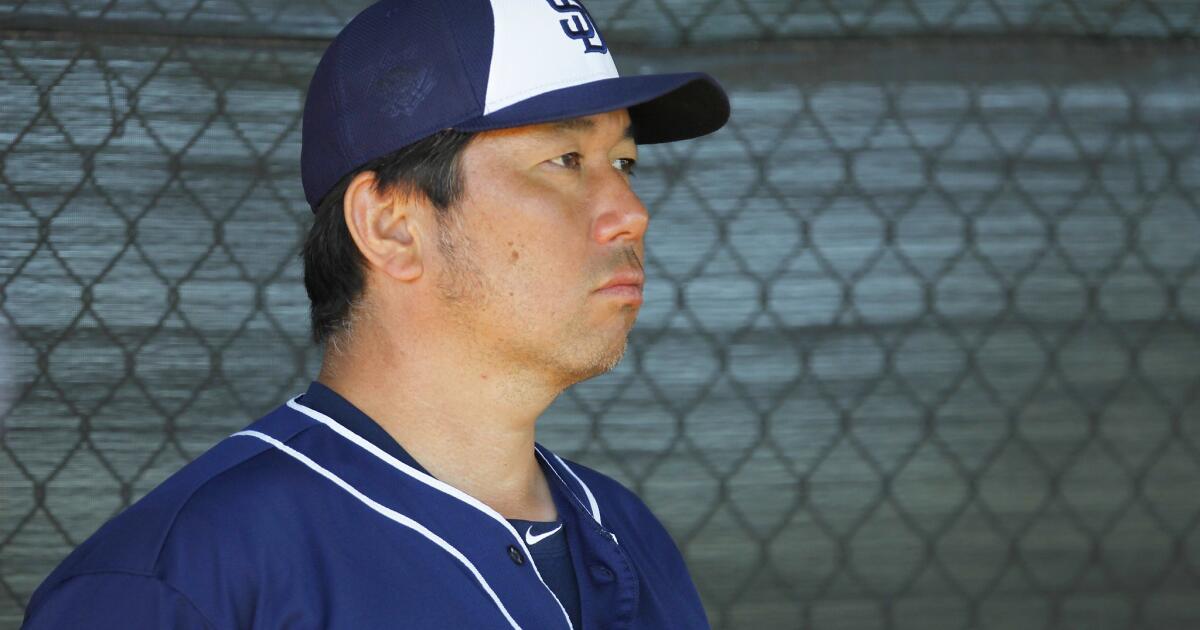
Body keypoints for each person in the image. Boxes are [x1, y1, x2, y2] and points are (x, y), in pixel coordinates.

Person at [21, 0, 729, 628]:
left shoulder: (628, 533)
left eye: (626, 164)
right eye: (567, 160)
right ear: (391, 226)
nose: (630, 214)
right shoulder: (183, 583)